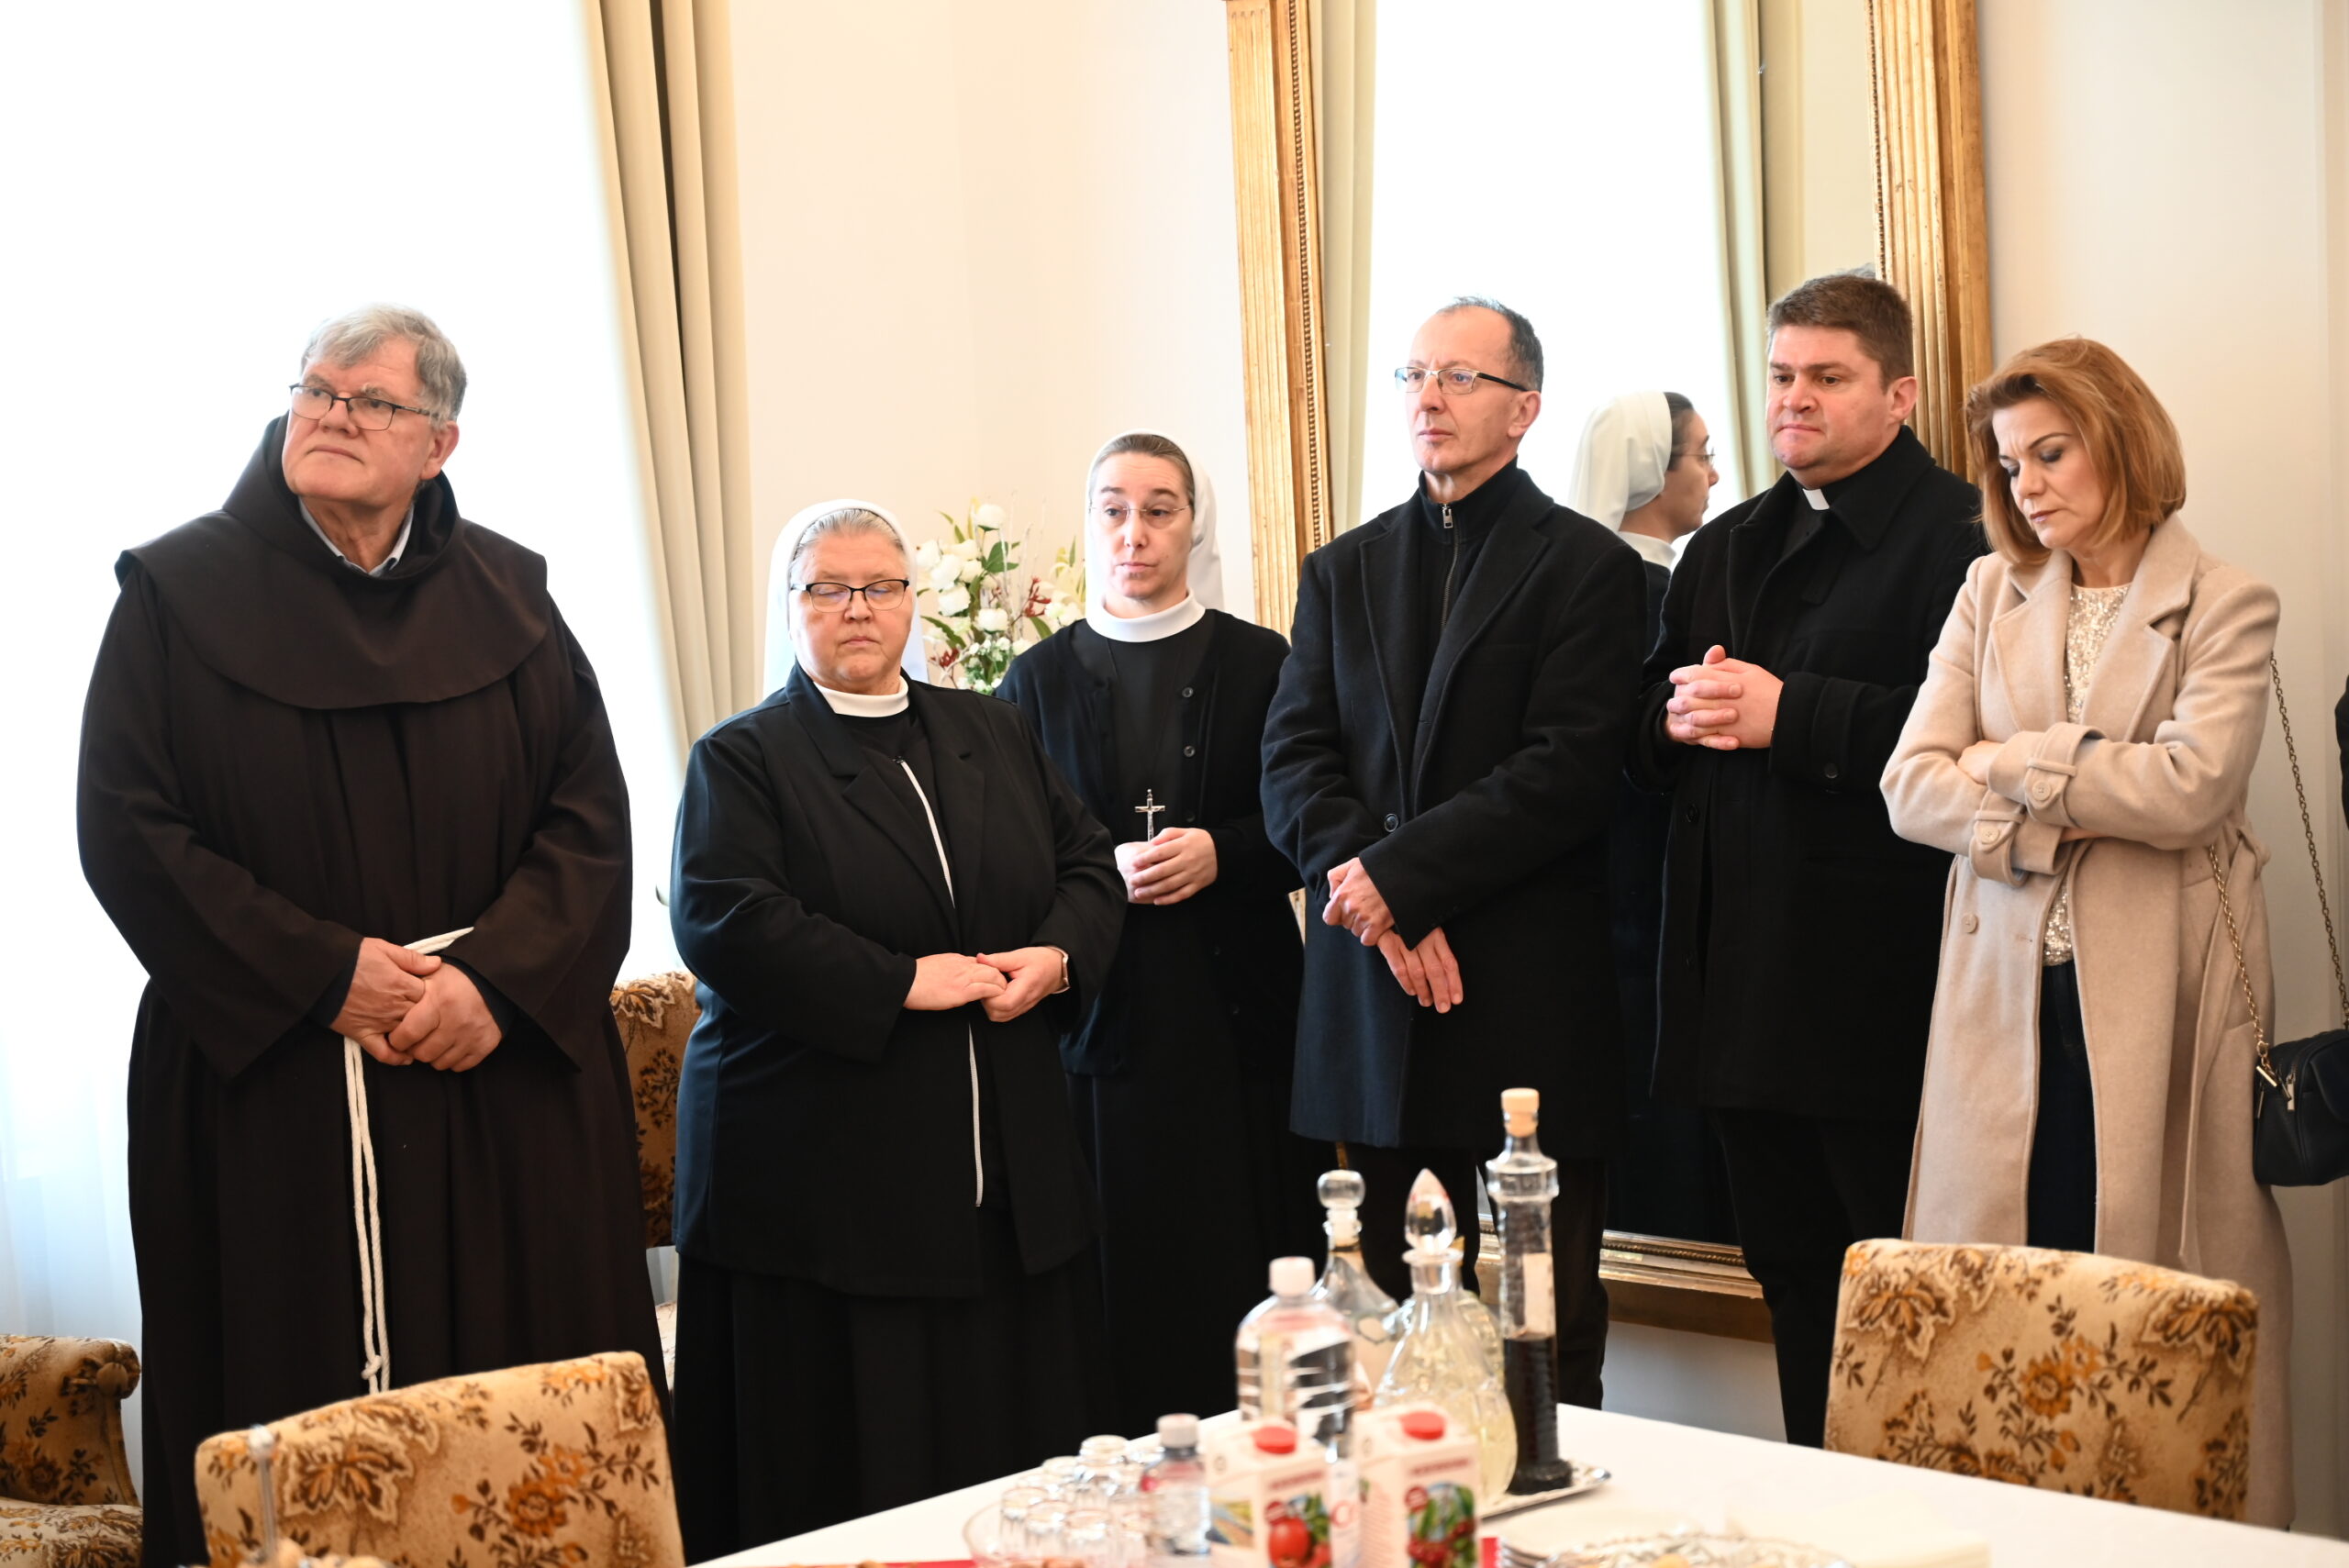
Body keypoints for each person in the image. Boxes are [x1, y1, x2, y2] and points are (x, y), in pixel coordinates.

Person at [76, 306, 662, 1568]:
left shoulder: (513, 593)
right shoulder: (177, 592)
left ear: (439, 442)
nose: (331, 413)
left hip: (492, 1070)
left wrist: (493, 982)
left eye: (370, 399)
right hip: (272, 1079)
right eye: (316, 390)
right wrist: (321, 973)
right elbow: (127, 828)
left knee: (528, 1411)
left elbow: (590, 821)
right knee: (290, 1402)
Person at [1883, 337, 2294, 1524]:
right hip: (2000, 998)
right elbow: (1910, 785)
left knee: (2153, 1301)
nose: (2028, 486)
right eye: (2011, 465)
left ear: (2120, 440)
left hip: (2163, 997)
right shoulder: (1987, 590)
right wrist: (2057, 810)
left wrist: (2011, 762)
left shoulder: (2225, 599)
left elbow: (2191, 790)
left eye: (2051, 453)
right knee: (2002, 1291)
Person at [668, 501, 1123, 1553]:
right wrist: (898, 982)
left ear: (913, 600)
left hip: (1002, 1160)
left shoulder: (992, 729)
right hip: (827, 1177)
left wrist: (1056, 956)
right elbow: (726, 917)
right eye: (827, 588)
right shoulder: (742, 757)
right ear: (790, 606)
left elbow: (1089, 866)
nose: (857, 608)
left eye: (879, 586)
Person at [1261, 297, 1648, 1405]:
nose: (1428, 397)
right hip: (1373, 988)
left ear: (1524, 409)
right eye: (1413, 375)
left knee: (1544, 1321)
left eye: (1460, 377)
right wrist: (1379, 901)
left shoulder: (1588, 565)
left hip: (1525, 984)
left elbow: (1566, 769)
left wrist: (1401, 881)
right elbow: (1291, 761)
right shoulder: (1340, 569)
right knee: (1386, 1321)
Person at [1625, 272, 1984, 1447]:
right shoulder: (1723, 544)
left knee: (1914, 1295)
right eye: (1782, 375)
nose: (1794, 399)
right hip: (1738, 990)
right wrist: (1672, 716)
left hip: (1879, 989)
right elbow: (1639, 733)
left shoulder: (1965, 537)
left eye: (1827, 377)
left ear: (1899, 394)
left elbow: (1981, 745)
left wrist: (1796, 714)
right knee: (1786, 1273)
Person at [997, 431, 1326, 1436]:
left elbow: (1310, 818)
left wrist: (1224, 852)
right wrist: (1099, 870)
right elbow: (1008, 852)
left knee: (1250, 1255)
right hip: (1102, 1029)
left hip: (1241, 1021)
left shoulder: (1262, 661)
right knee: (1119, 1274)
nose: (1133, 533)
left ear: (1194, 523)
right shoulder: (1033, 682)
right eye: (1112, 509)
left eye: (1158, 509)